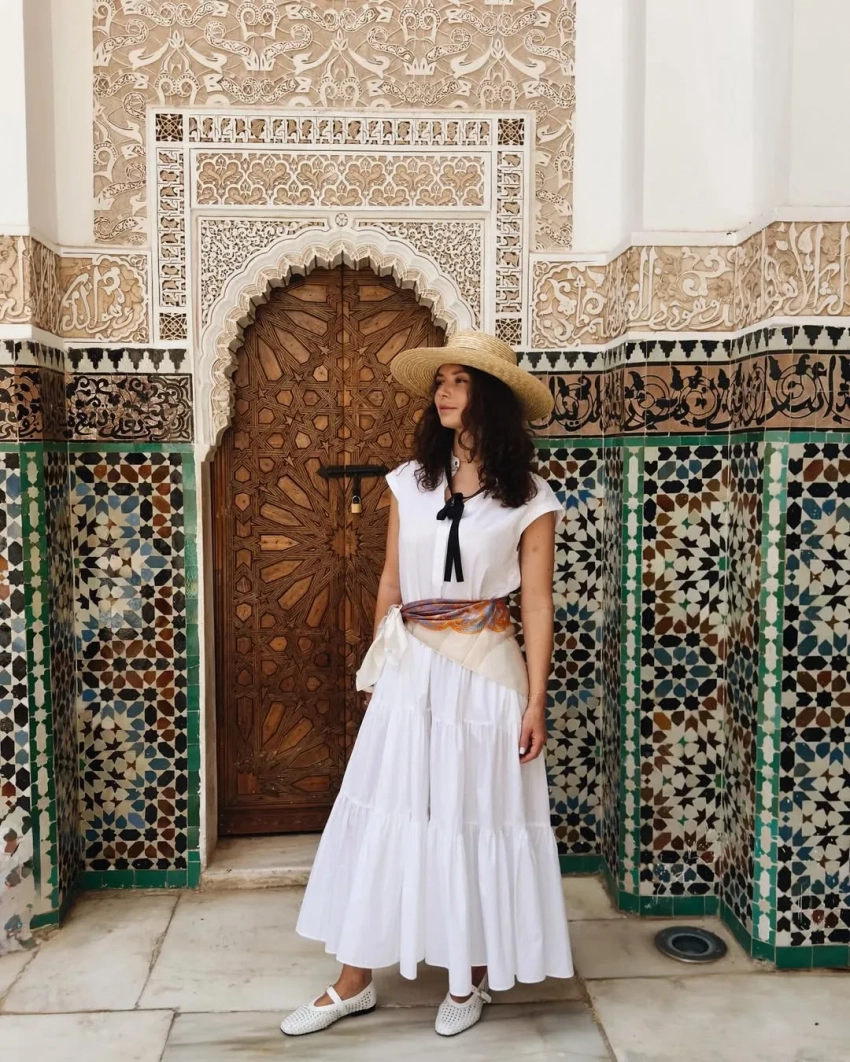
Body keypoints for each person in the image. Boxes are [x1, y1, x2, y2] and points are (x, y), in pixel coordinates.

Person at [281, 330, 573, 1039]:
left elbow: (536, 605)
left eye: (460, 381)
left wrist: (536, 700)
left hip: (485, 675)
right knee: (390, 808)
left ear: (491, 398)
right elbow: (390, 581)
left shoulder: (530, 498)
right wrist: (381, 662)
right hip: (412, 671)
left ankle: (468, 974)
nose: (443, 393)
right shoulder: (409, 482)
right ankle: (353, 981)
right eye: (441, 381)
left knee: (472, 817)